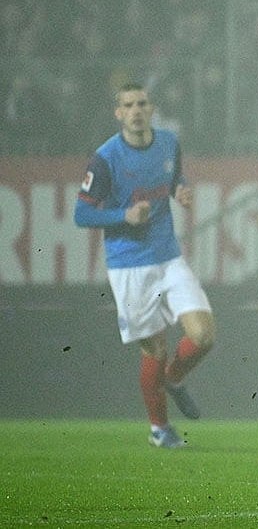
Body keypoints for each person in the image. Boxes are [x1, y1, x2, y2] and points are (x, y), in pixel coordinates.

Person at [74, 82, 214, 449]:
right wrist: (123, 216)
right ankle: (160, 429)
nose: (136, 110)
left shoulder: (168, 142)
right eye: (129, 105)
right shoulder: (106, 158)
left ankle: (174, 378)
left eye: (142, 103)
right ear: (118, 113)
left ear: (151, 109)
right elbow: (81, 213)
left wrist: (180, 189)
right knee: (155, 349)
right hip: (129, 265)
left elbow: (175, 176)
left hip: (168, 256)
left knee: (203, 336)